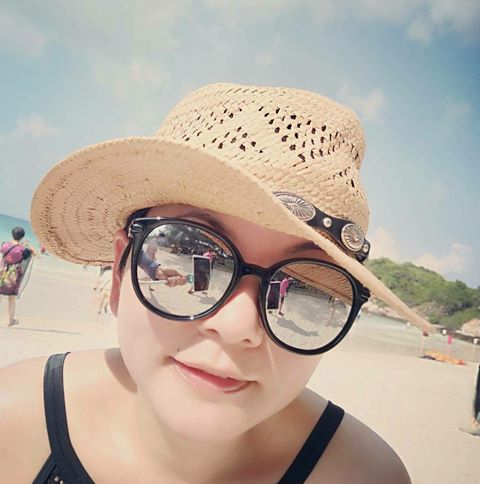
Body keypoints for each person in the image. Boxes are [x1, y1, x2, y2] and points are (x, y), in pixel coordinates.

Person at [0, 83, 435, 483]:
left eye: (307, 284)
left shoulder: (363, 475)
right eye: (192, 245)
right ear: (118, 271)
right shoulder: (14, 419)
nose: (236, 326)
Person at [0, 226, 34, 326]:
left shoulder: (4, 245)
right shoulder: (23, 250)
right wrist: (28, 244)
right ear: (22, 236)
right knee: (11, 298)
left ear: (12, 234)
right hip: (12, 277)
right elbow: (35, 254)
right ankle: (10, 321)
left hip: (1, 272)